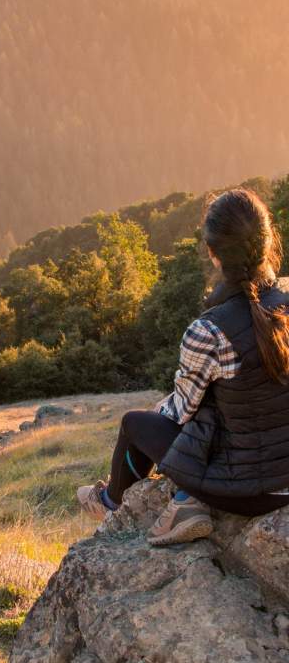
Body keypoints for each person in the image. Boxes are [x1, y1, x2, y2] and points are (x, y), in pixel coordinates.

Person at [77, 187, 289, 546]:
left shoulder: (208, 330)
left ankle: (112, 502)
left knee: (134, 424)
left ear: (213, 253)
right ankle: (184, 500)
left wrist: (161, 407)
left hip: (249, 492)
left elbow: (181, 411)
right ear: (269, 241)